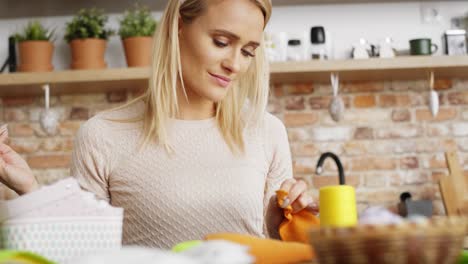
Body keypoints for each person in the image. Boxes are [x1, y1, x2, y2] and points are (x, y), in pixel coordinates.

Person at [0, 0, 318, 249]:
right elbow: (84, 253)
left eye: (248, 51)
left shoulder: (267, 131)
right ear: (179, 27)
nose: (235, 64)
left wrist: (288, 224)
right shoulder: (102, 135)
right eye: (222, 42)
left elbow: (277, 252)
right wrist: (29, 188)